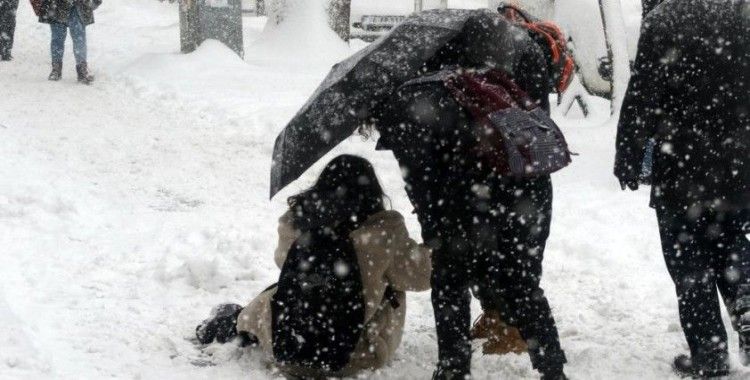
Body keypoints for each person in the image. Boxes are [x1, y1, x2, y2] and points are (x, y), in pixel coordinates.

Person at [373, 6, 574, 379]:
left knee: (449, 280)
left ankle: (452, 368)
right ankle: (552, 367)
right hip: (518, 192)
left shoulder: (412, 98)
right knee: (520, 281)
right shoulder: (495, 83)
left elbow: (418, 174)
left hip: (460, 198)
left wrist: (433, 223)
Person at [195, 155, 432, 378]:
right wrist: (430, 237)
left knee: (286, 290)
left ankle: (236, 324)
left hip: (289, 345)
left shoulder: (300, 224)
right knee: (391, 282)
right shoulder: (383, 236)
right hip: (354, 355)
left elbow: (282, 260)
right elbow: (423, 277)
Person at [614, 0, 750, 377]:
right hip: (738, 160)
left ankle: (709, 356)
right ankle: (746, 298)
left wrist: (628, 153)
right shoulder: (741, 13)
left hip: (682, 165)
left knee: (689, 261)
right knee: (733, 239)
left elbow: (642, 95)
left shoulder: (664, 19)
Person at [31, 0, 101, 83]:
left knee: (78, 38)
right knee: (58, 38)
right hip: (57, 5)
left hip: (77, 5)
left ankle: (81, 69)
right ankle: (56, 68)